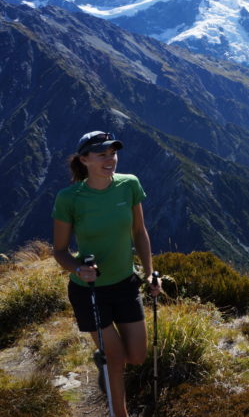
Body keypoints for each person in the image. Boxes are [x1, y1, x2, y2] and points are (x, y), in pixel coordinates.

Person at [52, 131, 161, 417]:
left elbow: (139, 232)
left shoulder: (129, 185)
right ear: (84, 160)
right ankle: (119, 412)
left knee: (136, 356)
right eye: (102, 154)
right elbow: (59, 251)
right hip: (89, 290)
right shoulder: (69, 199)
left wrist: (149, 273)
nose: (110, 159)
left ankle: (104, 362)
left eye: (112, 153)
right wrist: (78, 268)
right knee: (116, 358)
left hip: (126, 283)